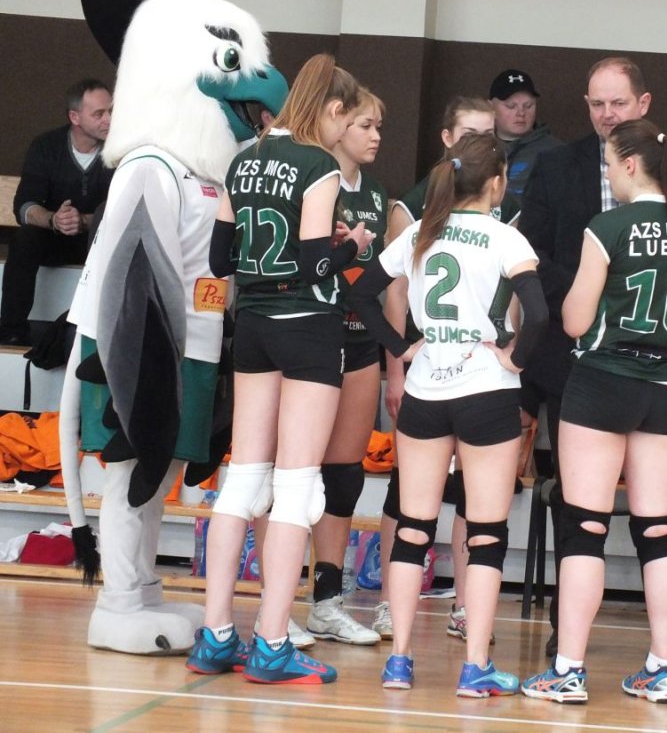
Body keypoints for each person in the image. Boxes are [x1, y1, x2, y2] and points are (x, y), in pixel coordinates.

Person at [186, 53, 373, 685]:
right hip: (308, 328)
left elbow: (220, 259)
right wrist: (353, 245)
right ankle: (271, 642)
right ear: (334, 109)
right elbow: (317, 265)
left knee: (242, 480)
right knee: (296, 487)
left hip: (255, 328)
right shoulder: (318, 164)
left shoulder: (242, 160)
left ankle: (216, 634)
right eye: (347, 117)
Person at [521, 119, 667, 705]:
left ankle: (568, 670)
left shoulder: (607, 226)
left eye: (610, 164)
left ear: (631, 165)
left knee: (585, 526)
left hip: (601, 383)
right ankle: (663, 668)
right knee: (661, 531)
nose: (607, 173)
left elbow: (576, 320)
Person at [346, 132, 547, 697]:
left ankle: (399, 661)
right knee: (486, 533)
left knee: (413, 527)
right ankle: (475, 665)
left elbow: (360, 295)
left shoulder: (419, 232)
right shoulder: (507, 237)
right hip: (487, 392)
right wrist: (515, 359)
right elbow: (538, 313)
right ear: (496, 182)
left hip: (425, 392)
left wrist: (402, 346)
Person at [377, 96, 501, 644]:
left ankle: (457, 613)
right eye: (471, 134)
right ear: (447, 139)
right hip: (436, 370)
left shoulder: (495, 208)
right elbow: (391, 293)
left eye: (489, 135)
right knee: (412, 497)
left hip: (470, 373)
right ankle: (394, 604)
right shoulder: (414, 208)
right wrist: (396, 364)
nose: (481, 145)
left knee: (468, 498)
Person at [300, 90, 390, 647]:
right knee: (293, 473)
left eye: (379, 125)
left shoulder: (378, 196)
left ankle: (327, 602)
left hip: (360, 342)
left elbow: (388, 277)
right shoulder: (315, 179)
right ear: (336, 123)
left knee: (344, 474)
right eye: (365, 125)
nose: (376, 135)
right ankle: (276, 602)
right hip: (311, 337)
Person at [1, 79, 113, 345]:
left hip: (97, 242)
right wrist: (55, 219)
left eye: (111, 111)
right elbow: (24, 206)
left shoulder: (120, 150)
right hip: (53, 239)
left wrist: (84, 221)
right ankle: (11, 331)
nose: (108, 119)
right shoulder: (46, 146)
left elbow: (124, 208)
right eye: (99, 114)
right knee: (25, 239)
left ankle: (109, 336)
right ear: (75, 117)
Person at [488, 68, 562, 207]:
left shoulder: (556, 152)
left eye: (528, 105)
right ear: (490, 107)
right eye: (511, 106)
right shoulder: (479, 147)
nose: (521, 113)